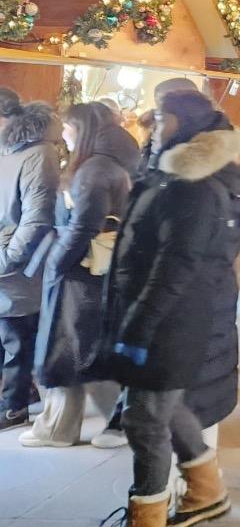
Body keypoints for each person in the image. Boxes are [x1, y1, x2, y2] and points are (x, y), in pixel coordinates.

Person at [101, 90, 240, 526]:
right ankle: (206, 491)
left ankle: (147, 515)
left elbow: (176, 267)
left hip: (170, 322)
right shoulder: (169, 172)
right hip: (164, 317)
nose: (153, 126)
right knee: (166, 408)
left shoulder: (195, 186)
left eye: (161, 119)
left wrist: (138, 329)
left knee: (143, 421)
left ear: (184, 124)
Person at [22, 103, 129, 449]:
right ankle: (99, 423)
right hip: (92, 268)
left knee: (65, 348)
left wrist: (56, 261)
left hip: (80, 269)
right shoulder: (108, 163)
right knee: (83, 348)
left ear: (82, 129)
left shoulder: (94, 169)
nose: (63, 133)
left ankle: (58, 428)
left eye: (67, 127)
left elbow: (84, 224)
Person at [0, 92, 59, 434]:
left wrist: (8, 258)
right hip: (8, 256)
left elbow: (36, 217)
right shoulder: (9, 150)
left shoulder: (38, 152)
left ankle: (14, 406)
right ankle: (18, 395)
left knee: (16, 337)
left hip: (18, 263)